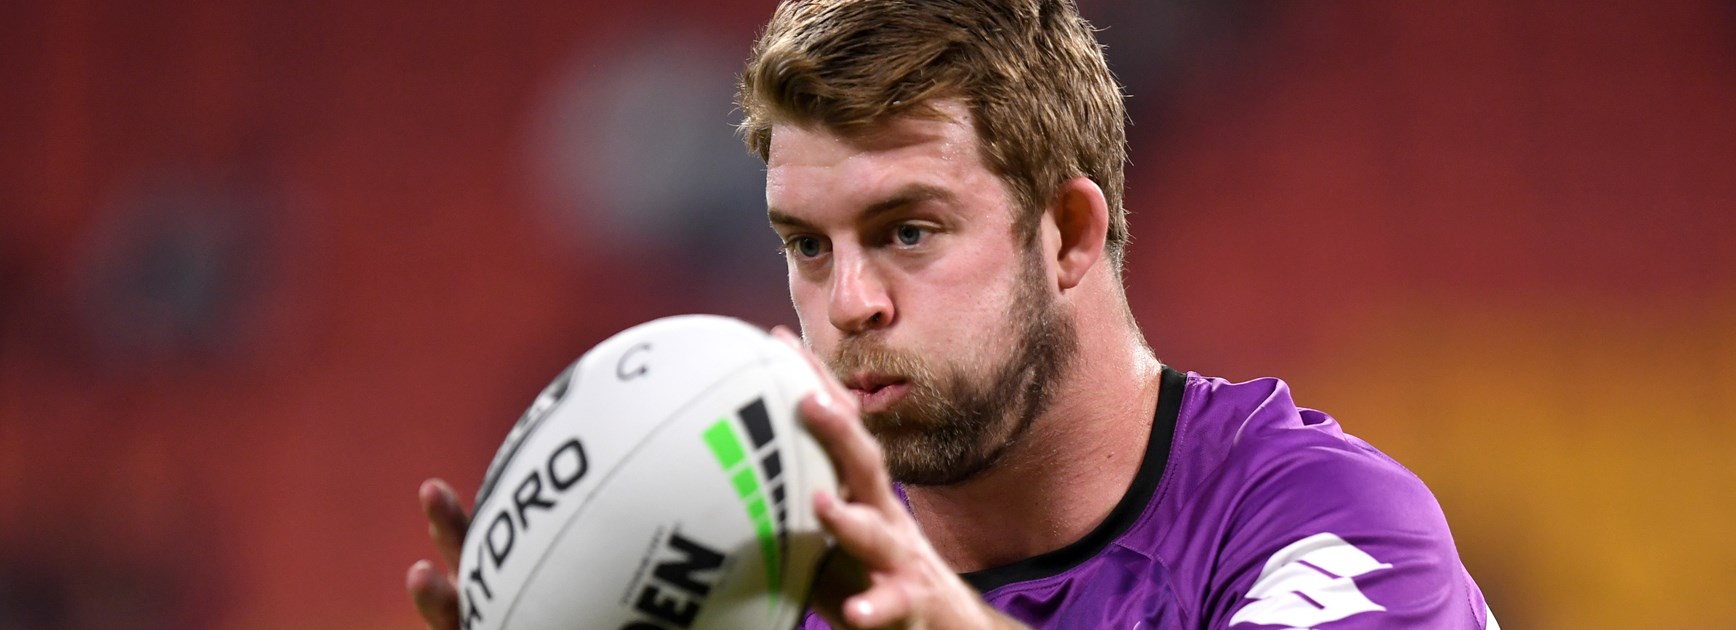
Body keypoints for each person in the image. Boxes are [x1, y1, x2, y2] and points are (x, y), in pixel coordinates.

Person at [408, 0, 1500, 627]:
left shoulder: (1330, 530)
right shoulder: (765, 584)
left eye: (908, 231)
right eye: (806, 245)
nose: (850, 304)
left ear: (1067, 233)